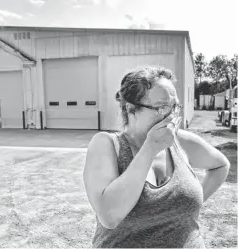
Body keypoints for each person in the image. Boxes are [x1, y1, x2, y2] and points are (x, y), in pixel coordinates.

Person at [83, 66, 230, 248]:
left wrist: (188, 207)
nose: (172, 115)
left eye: (175, 106)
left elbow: (220, 165)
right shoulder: (107, 144)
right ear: (131, 108)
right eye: (162, 107)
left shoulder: (181, 141)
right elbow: (109, 217)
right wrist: (150, 148)